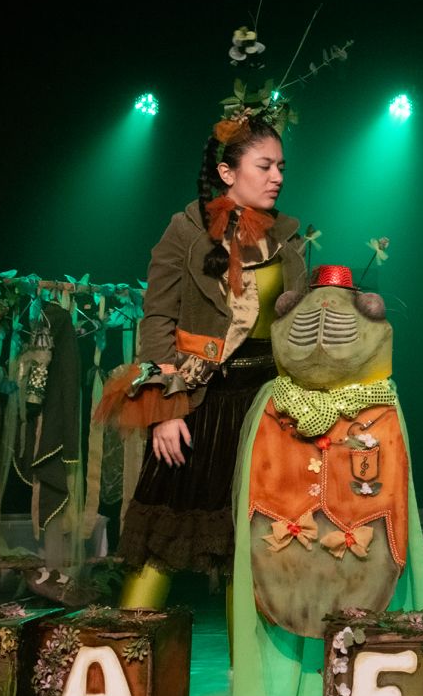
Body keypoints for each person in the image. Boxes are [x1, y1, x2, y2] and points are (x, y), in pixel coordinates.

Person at [110, 107, 306, 609]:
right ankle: (129, 653)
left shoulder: (288, 234)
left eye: (281, 166)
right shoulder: (185, 229)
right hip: (201, 402)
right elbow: (156, 323)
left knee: (257, 545)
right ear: (227, 172)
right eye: (265, 166)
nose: (277, 177)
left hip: (269, 407)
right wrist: (165, 410)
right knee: (163, 536)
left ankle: (255, 683)